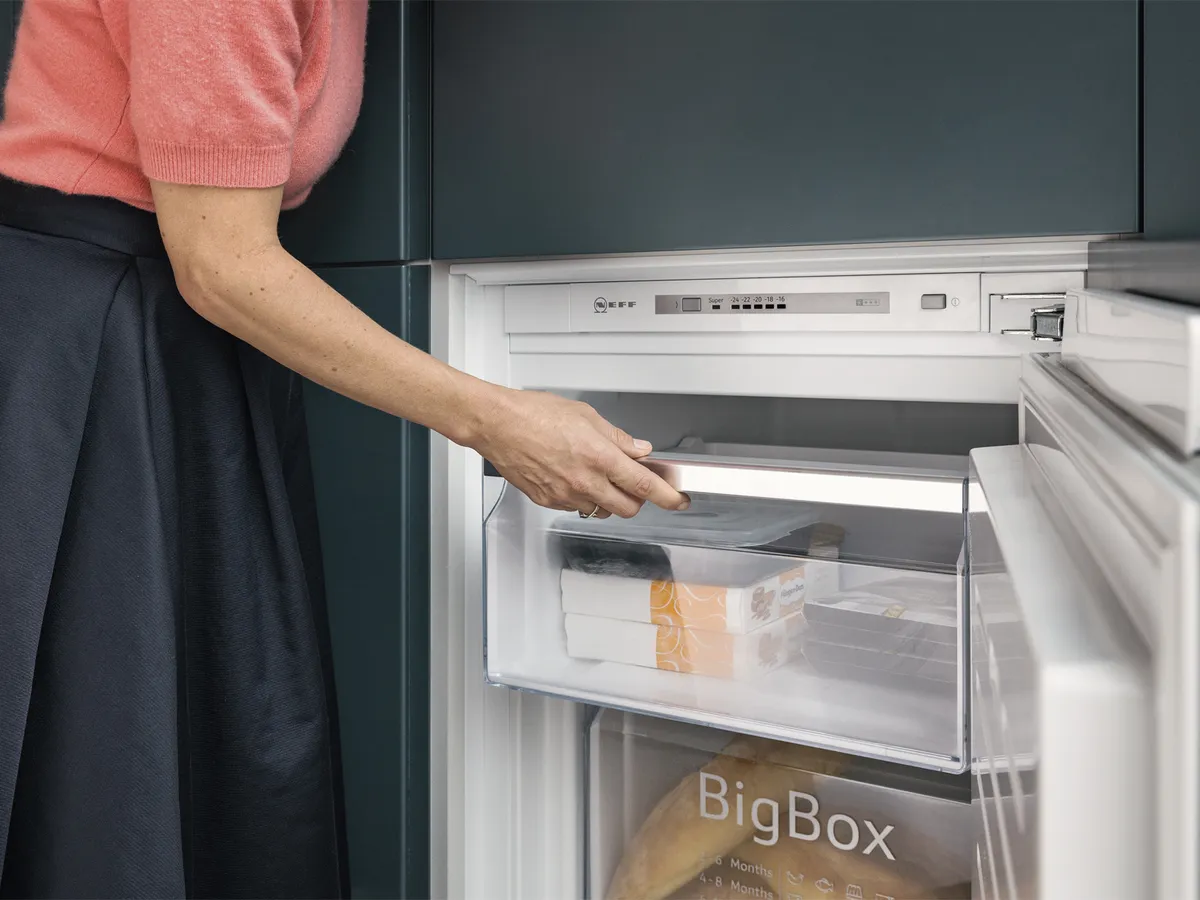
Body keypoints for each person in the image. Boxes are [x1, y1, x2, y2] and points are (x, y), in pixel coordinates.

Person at [0, 1, 688, 897]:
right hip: (86, 344)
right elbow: (220, 261)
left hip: (181, 332)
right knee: (107, 752)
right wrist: (498, 420)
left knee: (220, 723)